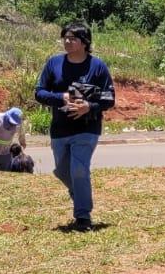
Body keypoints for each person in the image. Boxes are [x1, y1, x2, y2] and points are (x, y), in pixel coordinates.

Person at [35, 21, 115, 231]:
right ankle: (79, 193)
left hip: (87, 129)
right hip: (60, 128)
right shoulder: (53, 64)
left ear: (84, 42)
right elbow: (39, 93)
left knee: (79, 170)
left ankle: (83, 216)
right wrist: (61, 97)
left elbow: (109, 99)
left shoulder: (98, 66)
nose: (67, 42)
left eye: (73, 38)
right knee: (62, 171)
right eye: (65, 38)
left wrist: (88, 106)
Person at [0, 107, 26, 171]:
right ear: (7, 115)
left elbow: (21, 134)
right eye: (11, 122)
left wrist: (22, 144)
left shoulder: (18, 123)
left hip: (5, 153)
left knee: (6, 175)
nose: (12, 125)